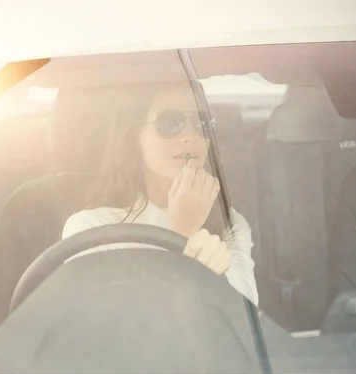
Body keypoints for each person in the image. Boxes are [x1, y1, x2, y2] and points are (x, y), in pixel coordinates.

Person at [61, 81, 258, 305]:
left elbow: (244, 318)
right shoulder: (92, 228)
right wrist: (182, 236)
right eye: (170, 123)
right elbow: (123, 327)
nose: (190, 136)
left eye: (201, 123)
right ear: (134, 136)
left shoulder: (229, 223)